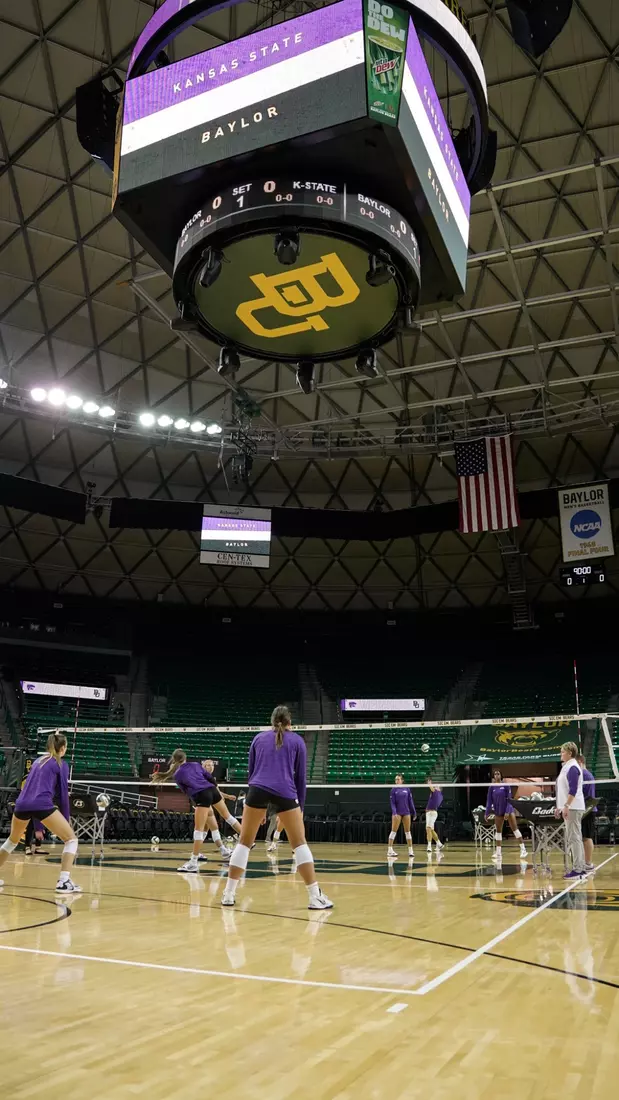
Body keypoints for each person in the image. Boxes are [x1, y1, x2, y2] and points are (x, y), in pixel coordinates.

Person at [221, 705, 332, 909]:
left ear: (272, 721)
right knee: (299, 843)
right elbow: (300, 779)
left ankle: (228, 894)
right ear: (290, 722)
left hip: (257, 791)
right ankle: (314, 896)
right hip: (286, 792)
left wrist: (257, 807)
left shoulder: (258, 739)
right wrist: (301, 807)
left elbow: (252, 773)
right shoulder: (297, 741)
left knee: (244, 843)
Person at [0, 732, 81, 892]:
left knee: (12, 841)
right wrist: (66, 820)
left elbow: (34, 794)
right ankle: (64, 882)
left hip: (22, 804)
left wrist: (38, 827)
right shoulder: (60, 763)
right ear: (63, 748)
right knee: (71, 840)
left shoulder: (37, 762)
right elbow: (63, 795)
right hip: (42, 804)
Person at [152, 750, 241, 872]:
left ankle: (193, 862)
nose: (210, 766)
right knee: (227, 817)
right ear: (185, 758)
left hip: (201, 796)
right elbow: (211, 779)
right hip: (213, 791)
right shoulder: (195, 765)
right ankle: (246, 841)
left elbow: (187, 791)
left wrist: (198, 799)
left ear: (174, 759)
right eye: (208, 765)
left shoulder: (178, 775)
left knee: (199, 830)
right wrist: (215, 792)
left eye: (211, 765)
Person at [555, 741, 586, 878]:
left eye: (563, 752)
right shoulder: (566, 767)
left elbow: (572, 790)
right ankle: (580, 867)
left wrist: (566, 806)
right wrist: (560, 807)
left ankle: (578, 869)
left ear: (570, 753)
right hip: (569, 807)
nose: (561, 754)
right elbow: (563, 790)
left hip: (573, 807)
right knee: (574, 837)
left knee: (574, 838)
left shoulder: (572, 767)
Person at [485, 768, 527, 863]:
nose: (497, 775)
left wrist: (507, 812)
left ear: (501, 775)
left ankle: (523, 849)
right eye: (495, 774)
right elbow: (489, 801)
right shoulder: (491, 787)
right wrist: (487, 812)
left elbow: (509, 799)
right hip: (498, 811)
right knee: (498, 832)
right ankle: (498, 852)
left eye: (498, 774)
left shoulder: (506, 785)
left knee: (515, 830)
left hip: (508, 810)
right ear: (493, 776)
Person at [387, 774, 416, 859]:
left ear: (402, 780)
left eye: (398, 779)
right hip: (397, 813)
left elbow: (410, 801)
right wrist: (395, 812)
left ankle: (410, 850)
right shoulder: (393, 790)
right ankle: (389, 850)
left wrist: (414, 812)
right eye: (396, 779)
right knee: (393, 831)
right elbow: (392, 803)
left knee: (408, 832)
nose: (397, 781)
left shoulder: (407, 789)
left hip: (406, 812)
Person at [577, 753, 596, 872]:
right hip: (585, 809)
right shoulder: (586, 774)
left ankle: (588, 863)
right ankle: (584, 862)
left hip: (587, 810)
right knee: (583, 837)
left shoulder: (584, 775)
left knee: (586, 837)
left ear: (580, 762)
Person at [425, 778, 444, 853]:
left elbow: (431, 788)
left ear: (439, 788)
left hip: (432, 813)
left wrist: (429, 783)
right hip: (430, 813)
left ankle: (429, 846)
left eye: (436, 786)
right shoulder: (440, 796)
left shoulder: (437, 792)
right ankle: (439, 843)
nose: (435, 787)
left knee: (428, 829)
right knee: (431, 830)